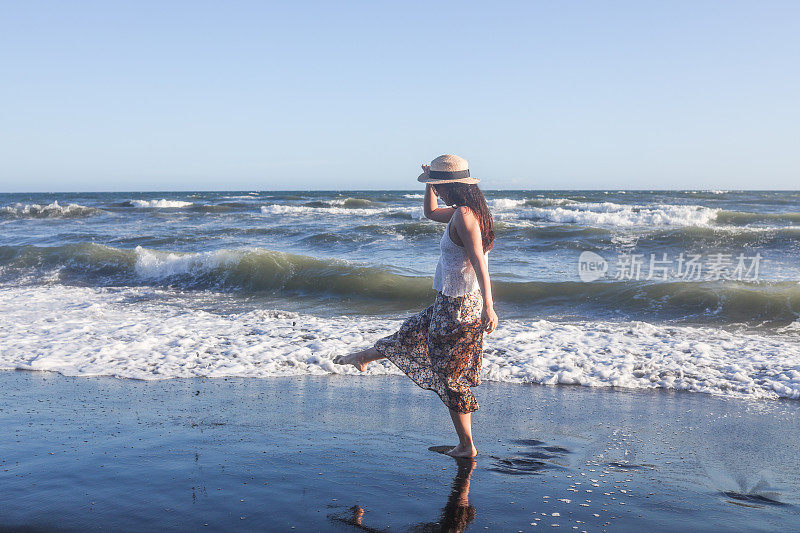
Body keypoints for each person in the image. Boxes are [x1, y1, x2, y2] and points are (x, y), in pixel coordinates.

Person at [334, 154, 498, 458]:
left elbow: (478, 263)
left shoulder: (464, 215)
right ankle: (364, 358)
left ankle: (466, 446)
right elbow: (430, 212)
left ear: (453, 186)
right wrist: (428, 183)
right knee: (410, 332)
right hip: (449, 301)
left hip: (460, 307)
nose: (436, 191)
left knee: (449, 376)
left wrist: (489, 306)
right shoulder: (464, 211)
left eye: (438, 186)